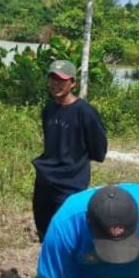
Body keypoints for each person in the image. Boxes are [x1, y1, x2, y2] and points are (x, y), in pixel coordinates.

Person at [31, 59, 108, 240]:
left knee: (65, 232)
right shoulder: (49, 110)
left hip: (70, 182)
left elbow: (99, 151)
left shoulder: (85, 112)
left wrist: (75, 162)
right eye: (53, 79)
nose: (56, 84)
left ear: (73, 83)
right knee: (44, 228)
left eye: (62, 80)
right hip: (45, 179)